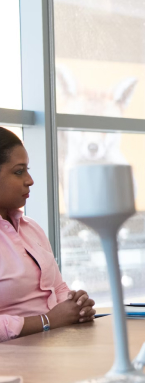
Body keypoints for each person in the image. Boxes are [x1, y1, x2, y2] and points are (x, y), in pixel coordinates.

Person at [0, 127, 96, 342]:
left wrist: (74, 306)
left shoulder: (30, 228)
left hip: (55, 344)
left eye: (27, 170)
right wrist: (48, 320)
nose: (30, 180)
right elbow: (51, 318)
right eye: (18, 171)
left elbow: (57, 287)